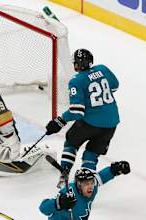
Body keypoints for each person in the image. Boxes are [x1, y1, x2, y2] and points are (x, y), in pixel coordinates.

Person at [45, 48, 120, 187]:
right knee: (92, 153)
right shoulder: (103, 69)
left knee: (71, 142)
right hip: (111, 122)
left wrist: (59, 121)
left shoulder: (76, 80)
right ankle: (87, 185)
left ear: (77, 65)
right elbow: (115, 86)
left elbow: (77, 111)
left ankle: (64, 173)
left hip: (91, 122)